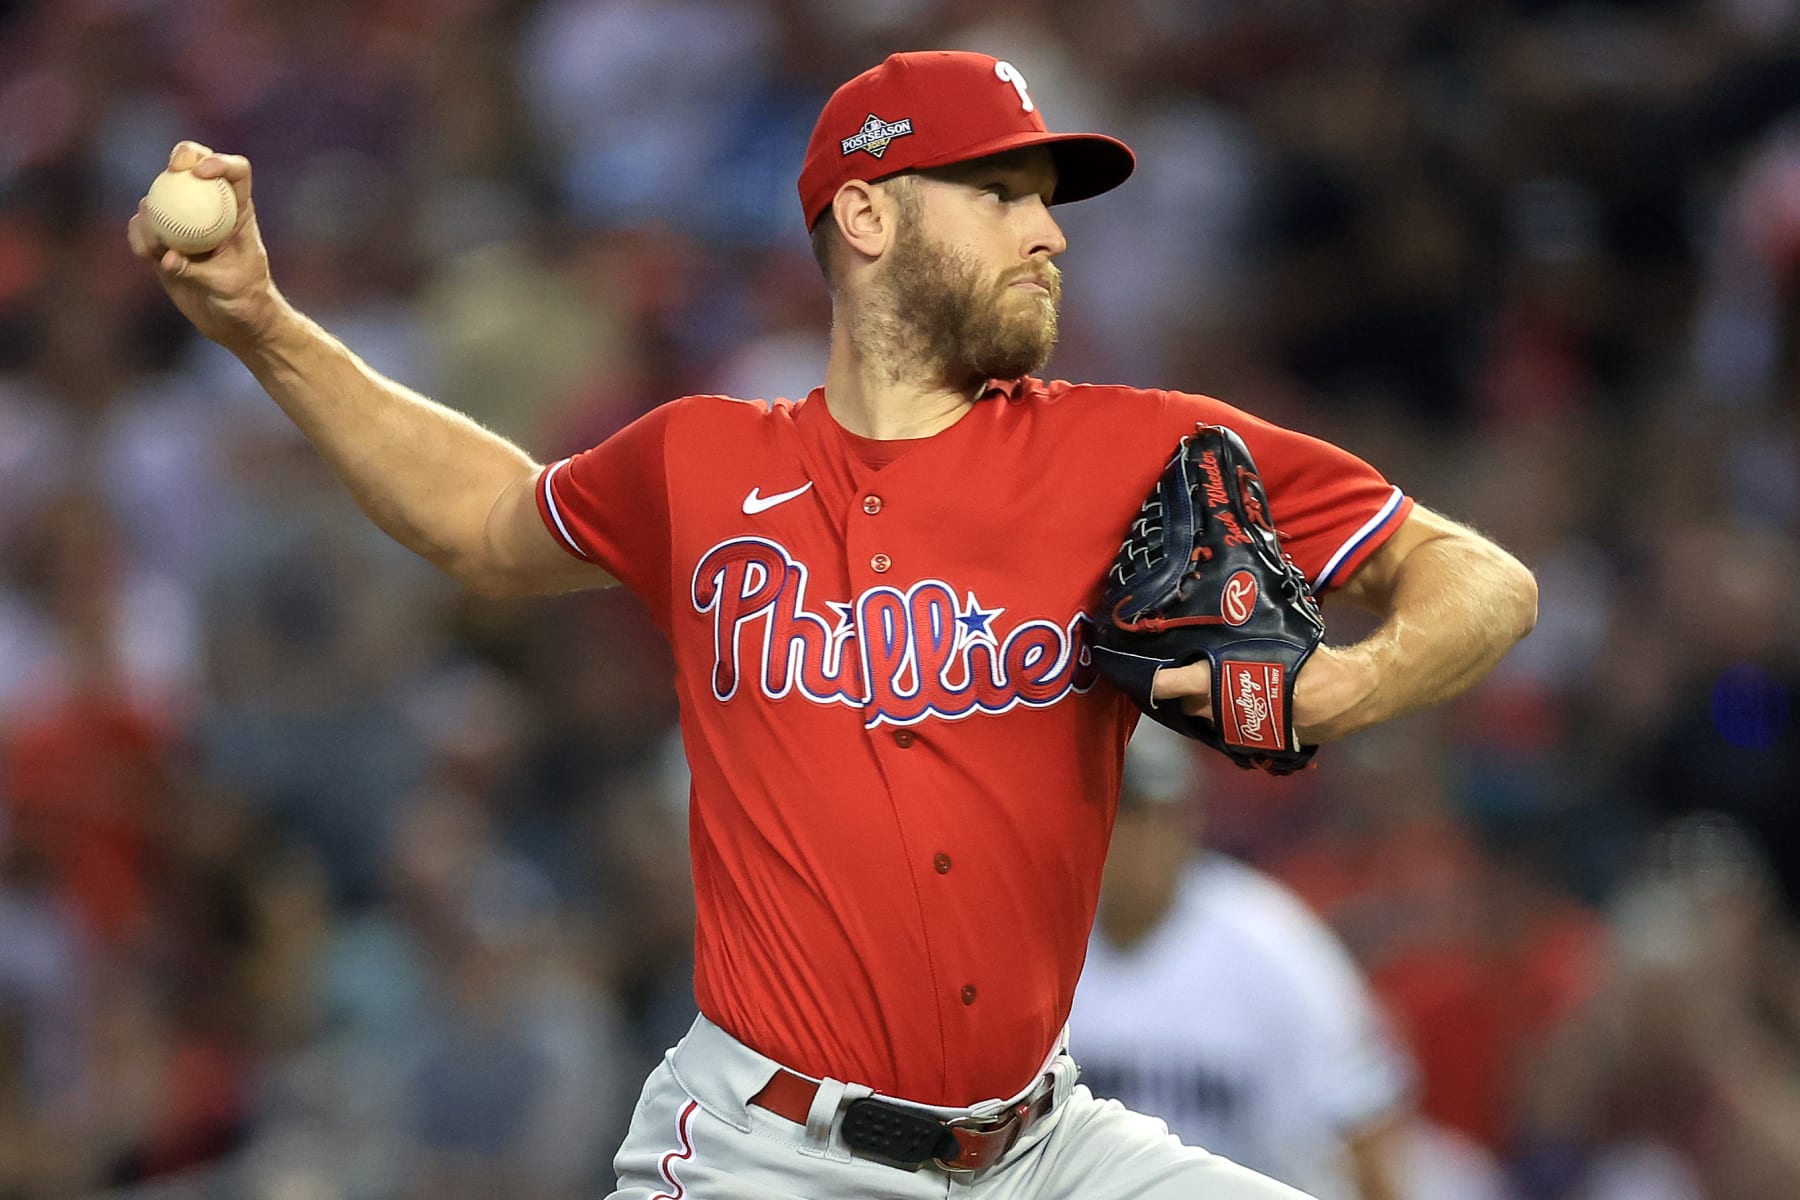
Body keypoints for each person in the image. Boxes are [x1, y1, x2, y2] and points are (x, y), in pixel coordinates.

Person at [128, 48, 1537, 1200]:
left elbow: (1479, 577)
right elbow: (483, 526)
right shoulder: (697, 462)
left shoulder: (1138, 452)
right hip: (766, 1155)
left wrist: (1339, 695)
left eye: (1048, 200)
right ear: (868, 213)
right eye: (1000, 192)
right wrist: (260, 322)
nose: (1047, 230)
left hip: (1048, 1150)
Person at [1072, 723, 1516, 1200]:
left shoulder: (1270, 941)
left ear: (1188, 819)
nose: (1139, 841)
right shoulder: (1042, 942)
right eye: (1122, 815)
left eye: (1156, 817)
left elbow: (1365, 1122)